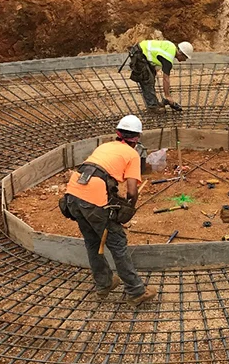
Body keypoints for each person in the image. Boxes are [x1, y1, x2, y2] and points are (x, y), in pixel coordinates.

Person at [61, 115, 157, 306]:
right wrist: (130, 205)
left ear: (118, 133)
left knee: (92, 241)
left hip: (72, 196)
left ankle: (104, 283)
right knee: (117, 243)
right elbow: (131, 190)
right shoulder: (132, 155)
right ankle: (136, 291)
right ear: (136, 138)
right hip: (92, 199)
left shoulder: (104, 146)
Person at [126, 39, 193, 113]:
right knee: (147, 80)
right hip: (139, 54)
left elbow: (155, 53)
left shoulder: (171, 47)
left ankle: (154, 103)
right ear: (181, 53)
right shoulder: (168, 58)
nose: (185, 60)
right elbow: (165, 79)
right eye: (185, 57)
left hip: (141, 52)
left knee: (151, 77)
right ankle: (152, 107)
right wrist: (168, 96)